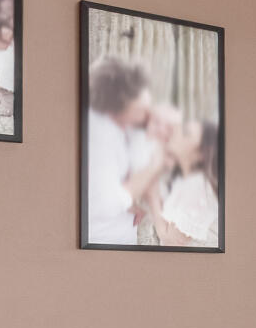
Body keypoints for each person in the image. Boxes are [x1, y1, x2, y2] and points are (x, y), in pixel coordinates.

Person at [86, 58, 167, 245]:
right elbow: (107, 203)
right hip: (102, 240)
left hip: (118, 235)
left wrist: (129, 204)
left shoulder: (122, 127)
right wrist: (153, 167)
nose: (148, 115)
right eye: (141, 109)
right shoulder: (98, 137)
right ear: (115, 107)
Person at [154, 119, 221, 248]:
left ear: (201, 154)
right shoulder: (183, 180)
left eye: (186, 133)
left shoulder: (198, 186)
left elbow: (170, 240)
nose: (176, 131)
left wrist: (151, 195)